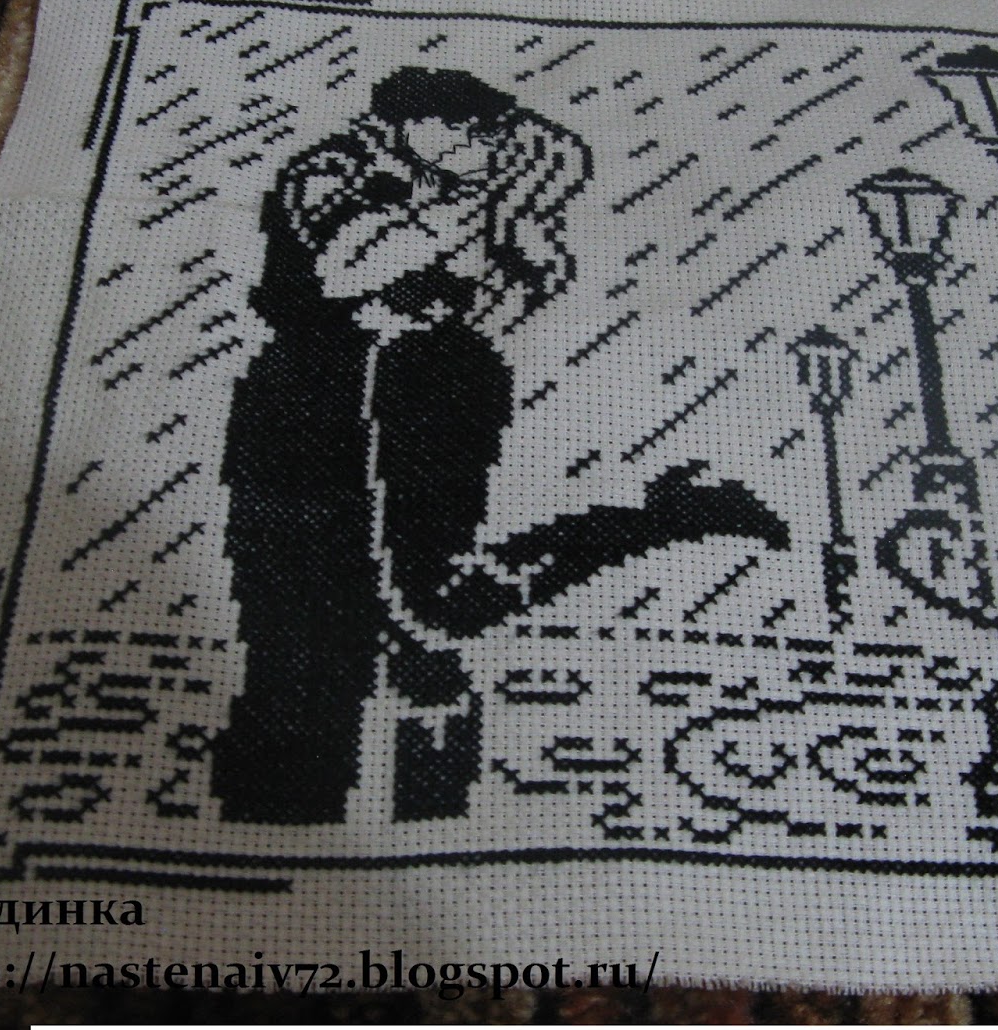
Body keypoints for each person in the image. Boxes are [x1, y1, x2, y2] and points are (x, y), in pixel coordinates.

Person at [211, 68, 786, 824]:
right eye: (466, 129)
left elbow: (506, 290)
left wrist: (487, 234)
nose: (480, 146)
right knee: (308, 621)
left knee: (425, 608)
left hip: (432, 396)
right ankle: (290, 807)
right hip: (309, 406)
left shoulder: (463, 196)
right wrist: (462, 207)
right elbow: (344, 268)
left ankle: (386, 806)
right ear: (410, 121)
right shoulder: (336, 168)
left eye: (487, 134)